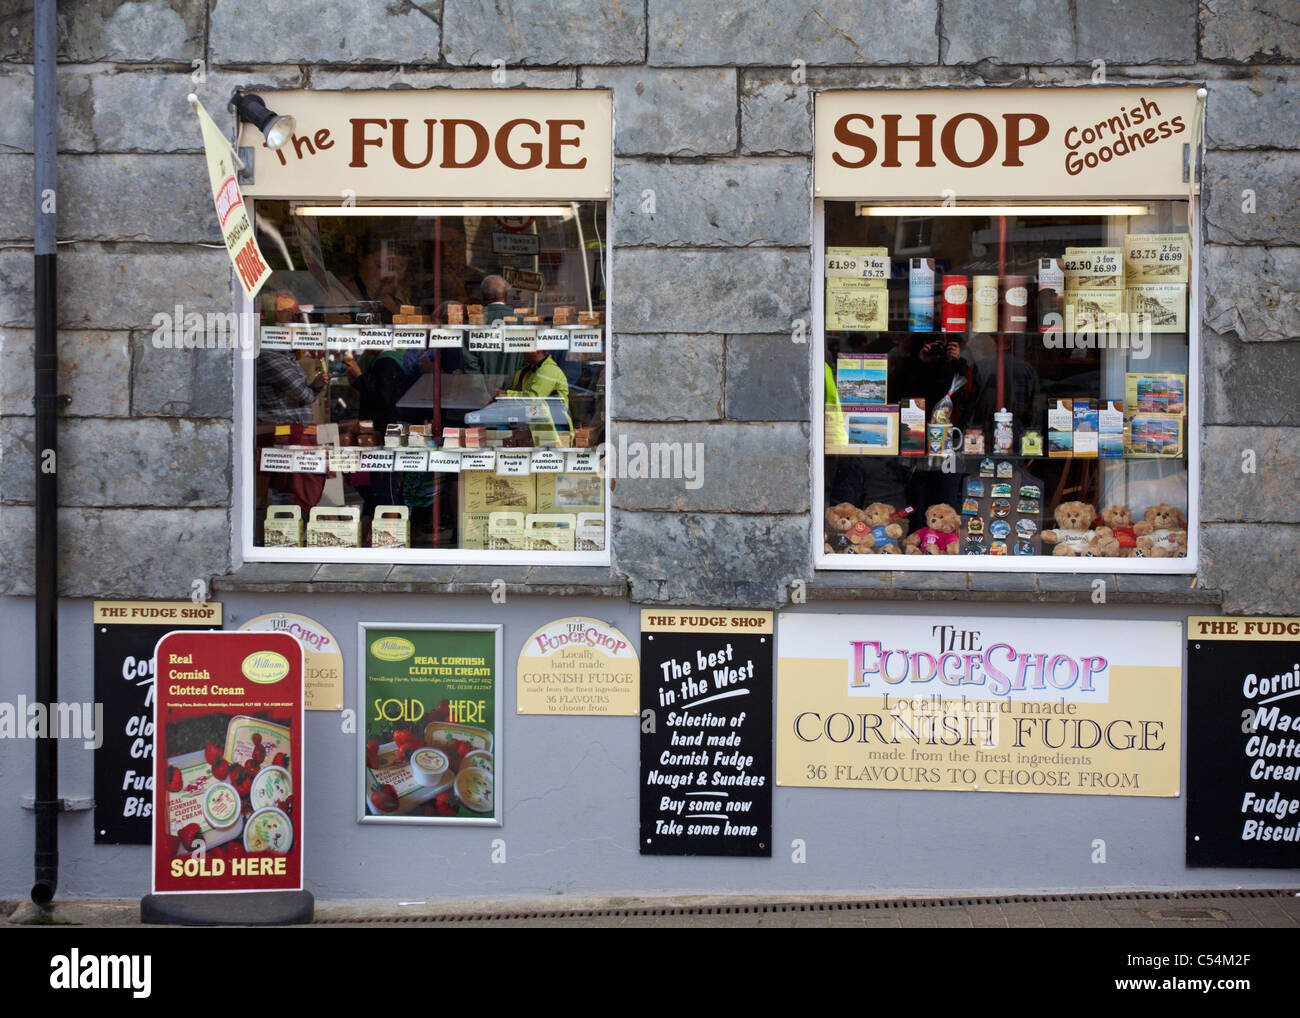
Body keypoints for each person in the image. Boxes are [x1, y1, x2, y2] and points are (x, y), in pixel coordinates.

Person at [460, 275, 524, 380]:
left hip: (481, 393)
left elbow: (470, 365)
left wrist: (484, 394)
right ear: (507, 295)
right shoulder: (522, 321)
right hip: (514, 392)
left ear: (483, 296)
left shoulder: (473, 323)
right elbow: (528, 361)